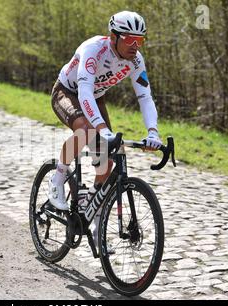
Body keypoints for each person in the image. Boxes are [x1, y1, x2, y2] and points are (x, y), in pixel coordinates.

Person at [48, 11, 163, 244]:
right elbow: (85, 92)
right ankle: (57, 179)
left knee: (107, 161)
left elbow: (145, 97)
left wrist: (153, 132)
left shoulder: (136, 61)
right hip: (68, 91)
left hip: (95, 97)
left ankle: (93, 206)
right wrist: (101, 128)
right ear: (114, 36)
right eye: (129, 39)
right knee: (87, 130)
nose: (134, 45)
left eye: (139, 40)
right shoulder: (93, 50)